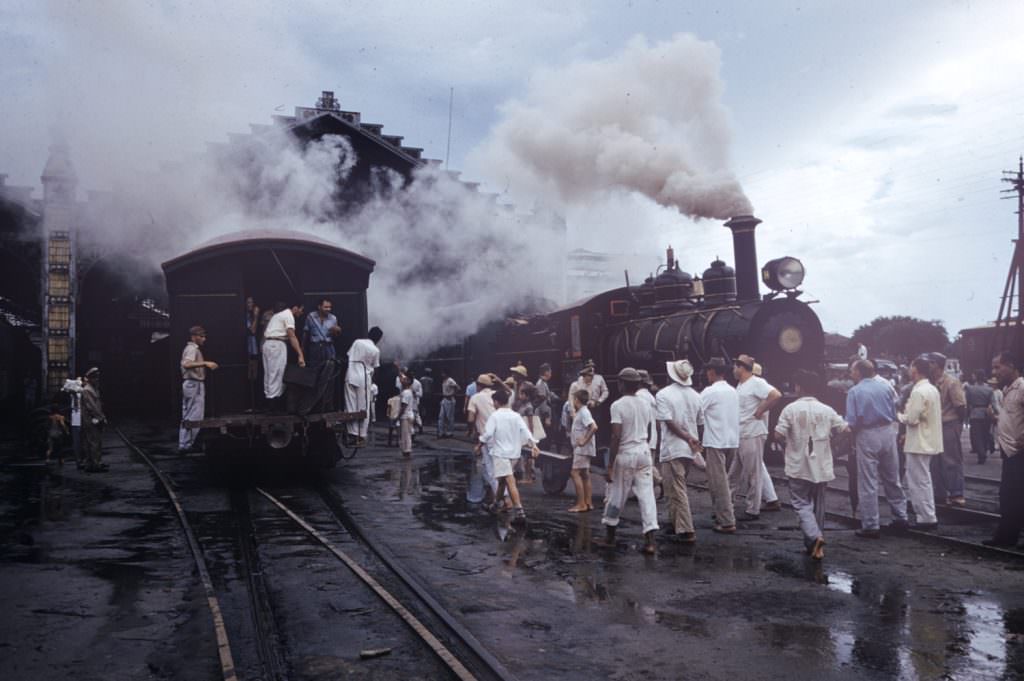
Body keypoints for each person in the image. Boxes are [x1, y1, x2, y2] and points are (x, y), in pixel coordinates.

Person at [773, 370, 849, 559]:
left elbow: (778, 435)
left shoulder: (790, 409)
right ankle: (815, 545)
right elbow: (846, 429)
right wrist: (833, 444)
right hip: (821, 463)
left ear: (799, 387)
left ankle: (815, 537)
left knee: (800, 503)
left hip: (798, 464)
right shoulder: (827, 409)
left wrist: (786, 445)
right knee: (819, 505)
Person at [599, 368, 659, 554]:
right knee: (647, 496)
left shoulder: (617, 405)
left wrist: (610, 465)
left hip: (625, 453)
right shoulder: (646, 404)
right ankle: (650, 541)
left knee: (617, 495)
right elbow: (649, 431)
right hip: (643, 451)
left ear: (621, 384)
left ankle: (610, 536)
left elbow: (616, 436)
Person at [845, 359, 908, 537]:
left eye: (852, 370)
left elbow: (852, 421)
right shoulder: (886, 386)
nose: (851, 374)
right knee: (892, 477)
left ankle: (871, 524)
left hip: (867, 434)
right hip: (888, 432)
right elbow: (896, 407)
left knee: (868, 481)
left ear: (858, 372)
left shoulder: (854, 392)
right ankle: (900, 516)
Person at [731, 354, 782, 521]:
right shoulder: (741, 385)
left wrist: (760, 410)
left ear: (741, 367)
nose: (733, 369)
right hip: (742, 432)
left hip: (752, 432)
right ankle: (727, 504)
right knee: (734, 473)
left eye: (735, 366)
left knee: (753, 473)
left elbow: (775, 395)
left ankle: (753, 509)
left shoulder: (757, 383)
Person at [656, 360, 702, 543]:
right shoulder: (696, 395)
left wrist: (685, 437)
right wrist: (693, 440)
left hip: (674, 447)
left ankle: (686, 529)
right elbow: (700, 422)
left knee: (676, 488)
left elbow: (668, 421)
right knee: (673, 487)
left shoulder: (663, 395)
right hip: (689, 449)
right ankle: (675, 523)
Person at [477, 388, 540, 521]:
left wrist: (479, 444)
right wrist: (534, 445)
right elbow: (526, 431)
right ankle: (495, 505)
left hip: (501, 454)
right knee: (502, 481)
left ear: (496, 402)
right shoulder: (515, 415)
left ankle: (519, 511)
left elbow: (487, 434)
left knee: (509, 481)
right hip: (514, 454)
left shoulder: (495, 416)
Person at [984, 352, 1024, 547]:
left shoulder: (1022, 387)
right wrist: (996, 419)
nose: (994, 372)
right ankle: (1006, 537)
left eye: (998, 367)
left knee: (1013, 495)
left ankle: (1006, 537)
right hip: (1010, 453)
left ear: (1011, 365)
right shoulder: (1009, 389)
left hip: (1019, 453)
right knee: (1010, 496)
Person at [898, 357, 942, 530]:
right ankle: (927, 515)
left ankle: (925, 517)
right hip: (928, 440)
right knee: (924, 479)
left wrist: (897, 416)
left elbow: (911, 418)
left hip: (918, 442)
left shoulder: (918, 391)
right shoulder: (932, 389)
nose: (909, 370)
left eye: (910, 366)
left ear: (915, 369)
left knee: (917, 481)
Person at [699, 358, 738, 533]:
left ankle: (727, 520)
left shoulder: (710, 391)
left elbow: (697, 411)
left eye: (708, 370)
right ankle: (720, 513)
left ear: (713, 372)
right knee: (723, 481)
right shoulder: (732, 391)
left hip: (715, 440)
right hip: (732, 440)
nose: (707, 374)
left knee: (718, 482)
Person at [927, 352, 967, 507]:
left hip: (949, 424)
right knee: (935, 462)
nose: (928, 365)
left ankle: (957, 493)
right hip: (935, 426)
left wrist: (958, 427)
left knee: (951, 460)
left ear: (936, 364)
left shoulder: (951, 382)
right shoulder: (931, 383)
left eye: (930, 362)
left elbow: (960, 406)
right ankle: (939, 494)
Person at [179, 325, 218, 454]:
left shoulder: (193, 349)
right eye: (201, 336)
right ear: (194, 337)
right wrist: (206, 363)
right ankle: (186, 445)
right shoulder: (191, 349)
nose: (204, 339)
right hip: (193, 384)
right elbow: (186, 364)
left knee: (190, 414)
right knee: (194, 415)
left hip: (193, 384)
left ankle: (185, 444)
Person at [262, 301, 306, 406]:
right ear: (296, 308)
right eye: (301, 310)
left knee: (269, 374)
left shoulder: (278, 315)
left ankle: (270, 400)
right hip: (277, 344)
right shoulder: (288, 315)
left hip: (268, 344)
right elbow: (292, 336)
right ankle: (273, 404)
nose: (301, 313)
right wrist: (300, 355)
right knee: (277, 374)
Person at [345, 327, 383, 447]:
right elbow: (375, 368)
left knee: (350, 405)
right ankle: (361, 435)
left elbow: (348, 355)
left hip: (350, 374)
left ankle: (352, 433)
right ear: (378, 339)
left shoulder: (357, 342)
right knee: (363, 406)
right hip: (364, 378)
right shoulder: (375, 350)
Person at [467, 375, 500, 501]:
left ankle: (503, 498)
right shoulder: (497, 394)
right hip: (502, 435)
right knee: (495, 467)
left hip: (487, 437)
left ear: (478, 385)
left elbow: (470, 418)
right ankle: (495, 496)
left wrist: (472, 429)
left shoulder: (475, 398)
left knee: (491, 470)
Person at [568, 389, 598, 513]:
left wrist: (584, 441)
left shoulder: (584, 412)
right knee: (585, 474)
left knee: (575, 473)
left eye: (574, 399)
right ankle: (588, 502)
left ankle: (581, 504)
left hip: (582, 449)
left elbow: (594, 427)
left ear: (577, 400)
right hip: (583, 448)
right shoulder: (582, 412)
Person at [81, 367, 108, 473]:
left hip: (93, 418)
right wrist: (101, 417)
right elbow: (92, 406)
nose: (97, 380)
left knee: (93, 442)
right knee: (94, 442)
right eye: (95, 378)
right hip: (91, 419)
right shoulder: (88, 390)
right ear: (90, 378)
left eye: (97, 378)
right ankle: (95, 464)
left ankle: (92, 463)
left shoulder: (93, 388)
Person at [965, 370, 995, 465]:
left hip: (974, 413)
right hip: (986, 413)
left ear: (976, 377)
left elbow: (968, 402)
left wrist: (967, 415)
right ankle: (986, 448)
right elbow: (993, 403)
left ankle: (981, 453)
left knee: (977, 436)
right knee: (985, 433)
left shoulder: (970, 389)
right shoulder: (989, 389)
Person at [302, 297, 341, 367]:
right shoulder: (311, 316)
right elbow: (306, 333)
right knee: (314, 369)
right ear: (319, 307)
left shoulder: (333, 318)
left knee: (329, 369)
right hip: (315, 347)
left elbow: (336, 336)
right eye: (326, 307)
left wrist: (337, 331)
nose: (328, 309)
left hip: (328, 347)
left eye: (330, 307)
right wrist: (302, 347)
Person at [62, 377, 84, 469]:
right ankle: (79, 460)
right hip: (76, 420)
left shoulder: (78, 393)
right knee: (77, 442)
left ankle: (80, 460)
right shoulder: (75, 394)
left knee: (79, 441)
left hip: (77, 419)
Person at [397, 374, 416, 459]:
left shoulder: (406, 393)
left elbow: (403, 407)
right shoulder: (408, 391)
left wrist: (397, 417)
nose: (402, 380)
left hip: (406, 416)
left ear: (409, 382)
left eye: (405, 379)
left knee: (405, 435)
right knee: (407, 434)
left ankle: (407, 452)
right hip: (409, 415)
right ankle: (406, 451)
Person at [437, 370, 460, 438]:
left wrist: (452, 394)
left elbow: (458, 387)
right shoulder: (444, 380)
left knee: (449, 417)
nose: (442, 375)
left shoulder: (450, 380)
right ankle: (441, 432)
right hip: (444, 399)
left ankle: (450, 432)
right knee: (441, 416)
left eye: (443, 373)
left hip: (450, 399)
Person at [245, 297, 261, 384]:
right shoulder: (246, 315)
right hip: (248, 347)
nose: (250, 305)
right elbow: (252, 330)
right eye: (248, 302)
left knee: (255, 371)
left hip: (255, 347)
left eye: (251, 302)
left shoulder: (251, 315)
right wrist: (256, 316)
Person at [535, 363, 556, 428]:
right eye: (550, 372)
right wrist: (547, 417)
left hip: (546, 411)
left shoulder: (544, 383)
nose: (551, 374)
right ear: (546, 372)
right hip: (543, 414)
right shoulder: (541, 383)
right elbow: (542, 401)